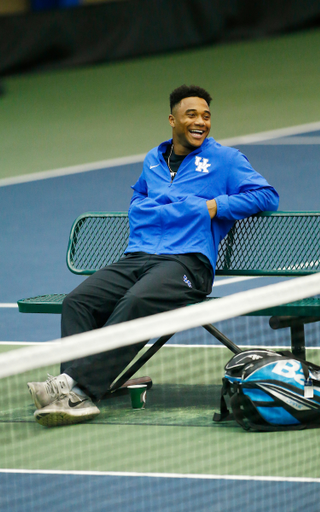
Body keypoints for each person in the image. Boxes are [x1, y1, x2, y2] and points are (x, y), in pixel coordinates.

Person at [27, 84, 279, 427]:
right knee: (78, 301)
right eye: (192, 114)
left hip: (187, 263)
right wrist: (156, 211)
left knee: (136, 301)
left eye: (206, 116)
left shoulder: (225, 160)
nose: (201, 122)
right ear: (172, 119)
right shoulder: (152, 160)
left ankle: (73, 387)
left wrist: (214, 206)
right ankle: (78, 390)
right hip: (138, 257)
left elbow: (266, 196)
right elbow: (138, 201)